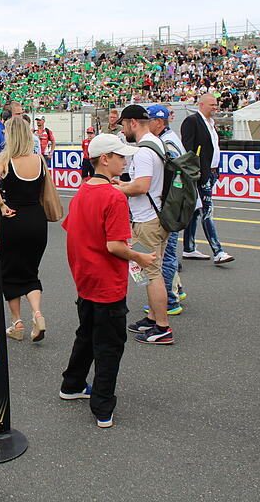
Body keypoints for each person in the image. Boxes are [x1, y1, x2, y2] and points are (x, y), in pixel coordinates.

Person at [59, 133, 157, 428]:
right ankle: (103, 406)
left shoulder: (83, 191)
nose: (124, 161)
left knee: (86, 334)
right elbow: (114, 245)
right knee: (110, 345)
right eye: (120, 156)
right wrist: (140, 258)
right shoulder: (114, 197)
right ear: (105, 159)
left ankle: (72, 384)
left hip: (85, 278)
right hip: (107, 282)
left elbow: (72, 230)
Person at [114, 104, 173, 345]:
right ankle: (152, 318)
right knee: (152, 271)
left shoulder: (143, 151)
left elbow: (142, 186)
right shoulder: (157, 143)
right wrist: (126, 183)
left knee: (151, 273)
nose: (123, 130)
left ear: (133, 123)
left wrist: (119, 189)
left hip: (148, 218)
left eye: (124, 125)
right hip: (158, 214)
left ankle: (162, 327)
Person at [0, 117, 49, 342]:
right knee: (31, 271)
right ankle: (37, 313)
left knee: (10, 271)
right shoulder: (39, 159)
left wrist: (2, 205)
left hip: (13, 219)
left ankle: (17, 322)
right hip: (37, 219)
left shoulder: (4, 158)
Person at [146, 104, 193, 315]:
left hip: (171, 205)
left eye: (149, 121)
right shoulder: (169, 138)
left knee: (166, 255)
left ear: (159, 122)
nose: (147, 125)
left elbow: (173, 175)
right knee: (169, 252)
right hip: (174, 203)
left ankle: (170, 299)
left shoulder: (167, 142)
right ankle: (176, 289)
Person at [180, 93, 235, 264]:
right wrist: (198, 173)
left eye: (216, 104)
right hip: (201, 174)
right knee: (207, 211)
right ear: (201, 105)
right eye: (212, 104)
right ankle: (218, 251)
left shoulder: (211, 124)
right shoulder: (192, 121)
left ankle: (189, 248)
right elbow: (189, 149)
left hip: (211, 172)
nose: (215, 106)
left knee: (195, 212)